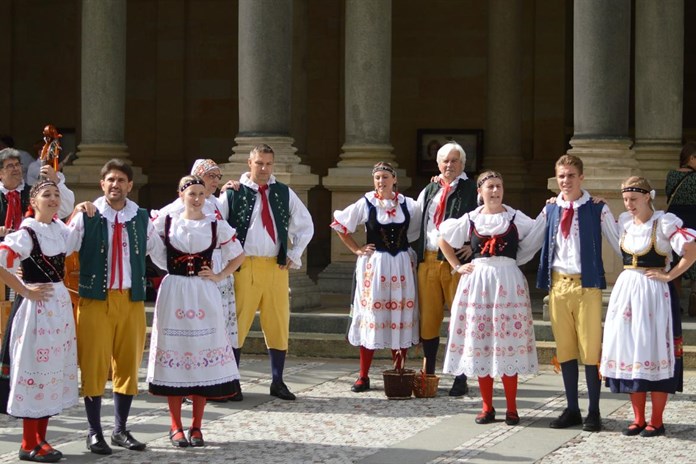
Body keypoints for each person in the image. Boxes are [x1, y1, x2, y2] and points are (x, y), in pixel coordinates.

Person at [68, 159, 166, 455]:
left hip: (131, 300)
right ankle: (93, 431)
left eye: (121, 180)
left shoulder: (141, 218)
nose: (115, 185)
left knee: (128, 365)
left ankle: (121, 429)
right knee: (94, 365)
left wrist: (187, 277)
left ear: (130, 186)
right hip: (96, 300)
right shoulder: (87, 215)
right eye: (110, 179)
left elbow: (160, 253)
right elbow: (61, 244)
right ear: (102, 184)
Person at [147, 175, 245, 448]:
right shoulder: (166, 223)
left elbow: (239, 254)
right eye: (192, 193)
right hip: (175, 290)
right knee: (176, 350)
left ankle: (197, 426)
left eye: (201, 193)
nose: (197, 198)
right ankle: (175, 425)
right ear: (181, 195)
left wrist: (219, 274)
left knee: (203, 351)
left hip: (204, 292)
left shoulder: (215, 224)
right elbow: (147, 244)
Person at [438, 171, 540, 425]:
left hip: (508, 281)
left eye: (499, 187)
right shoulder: (471, 218)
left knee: (508, 342)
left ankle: (512, 408)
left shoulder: (515, 217)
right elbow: (442, 238)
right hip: (478, 282)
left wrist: (517, 258)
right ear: (480, 193)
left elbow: (540, 232)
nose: (495, 191)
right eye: (490, 187)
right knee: (481, 342)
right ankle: (487, 406)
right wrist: (457, 266)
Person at [600, 176, 696, 437]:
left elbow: (691, 251)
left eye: (633, 199)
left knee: (654, 349)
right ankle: (638, 418)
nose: (628, 204)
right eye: (625, 199)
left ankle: (657, 420)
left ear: (647, 196)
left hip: (654, 294)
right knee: (631, 351)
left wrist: (669, 276)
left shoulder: (664, 223)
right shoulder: (625, 222)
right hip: (627, 292)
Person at [220, 143, 314, 401]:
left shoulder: (283, 192)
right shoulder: (233, 193)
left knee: (278, 322)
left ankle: (278, 381)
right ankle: (231, 381)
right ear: (249, 163)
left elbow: (305, 224)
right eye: (259, 163)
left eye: (268, 164)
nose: (263, 168)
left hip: (275, 265)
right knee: (236, 324)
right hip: (244, 265)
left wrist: (293, 254)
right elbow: (216, 224)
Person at [535, 154, 621, 432]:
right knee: (566, 349)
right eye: (561, 176)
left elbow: (619, 241)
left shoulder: (596, 208)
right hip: (559, 285)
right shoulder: (550, 209)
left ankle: (594, 410)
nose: (566, 181)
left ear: (581, 177)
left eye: (571, 175)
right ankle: (572, 408)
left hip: (587, 286)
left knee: (590, 349)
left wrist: (645, 264)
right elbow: (529, 238)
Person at [0, 180, 75, 463]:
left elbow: (78, 234)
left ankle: (41, 439)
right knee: (33, 368)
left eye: (56, 195)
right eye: (47, 195)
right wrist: (24, 289)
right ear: (34, 201)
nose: (53, 199)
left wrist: (80, 207)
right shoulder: (26, 232)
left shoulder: (60, 229)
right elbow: (1, 261)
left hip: (58, 305)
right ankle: (28, 442)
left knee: (51, 370)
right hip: (35, 309)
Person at [331, 162, 420, 392]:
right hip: (376, 265)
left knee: (399, 312)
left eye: (385, 177)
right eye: (377, 178)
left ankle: (398, 372)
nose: (381, 182)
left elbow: (418, 227)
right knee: (372, 313)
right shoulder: (367, 202)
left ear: (394, 179)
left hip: (400, 264)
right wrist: (357, 249)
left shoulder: (408, 204)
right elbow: (341, 225)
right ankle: (363, 375)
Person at [413, 142, 477, 396]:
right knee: (428, 320)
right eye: (445, 161)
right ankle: (428, 373)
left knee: (459, 320)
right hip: (428, 260)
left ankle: (460, 376)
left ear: (463, 163)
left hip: (456, 265)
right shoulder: (429, 190)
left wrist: (474, 246)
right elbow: (415, 219)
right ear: (438, 164)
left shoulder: (473, 189)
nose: (449, 165)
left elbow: (486, 218)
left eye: (454, 161)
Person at [0, 148, 74, 238]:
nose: (16, 168)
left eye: (17, 164)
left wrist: (56, 181)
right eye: (10, 166)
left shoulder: (34, 193)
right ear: (0, 173)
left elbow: (66, 209)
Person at [665, 142, 696, 316]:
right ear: (691, 158)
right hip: (695, 220)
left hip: (676, 222)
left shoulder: (672, 175)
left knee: (676, 259)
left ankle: (676, 301)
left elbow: (669, 192)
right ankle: (694, 294)